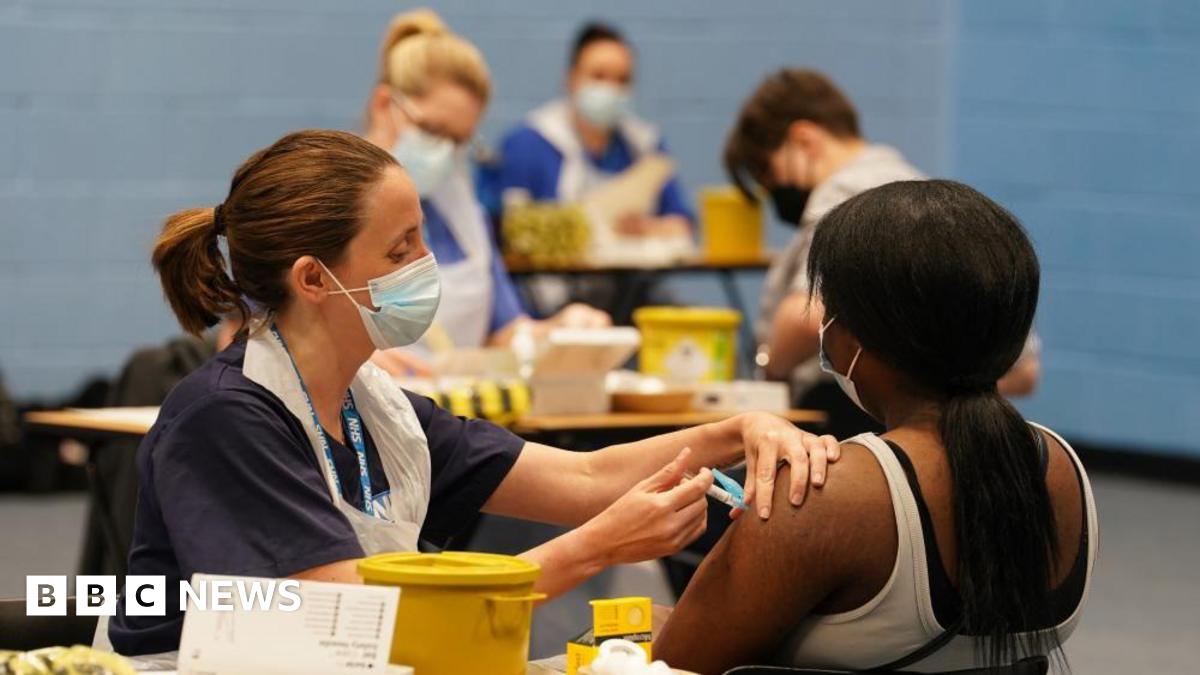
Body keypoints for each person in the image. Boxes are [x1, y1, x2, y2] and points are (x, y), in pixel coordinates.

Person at [107, 129, 840, 655]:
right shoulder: (225, 418)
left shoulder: (378, 408)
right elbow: (347, 614)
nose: (429, 266)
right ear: (312, 279)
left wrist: (737, 430)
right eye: (401, 250)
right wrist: (595, 549)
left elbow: (582, 475)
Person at [655, 180, 1097, 674]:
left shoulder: (821, 494)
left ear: (856, 338)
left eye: (830, 312)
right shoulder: (1061, 469)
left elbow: (672, 666)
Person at [724, 69, 1039, 439]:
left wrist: (770, 371)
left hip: (853, 420)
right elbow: (1024, 369)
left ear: (804, 141)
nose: (772, 191)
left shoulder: (843, 192)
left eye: (769, 173)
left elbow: (807, 315)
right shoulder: (930, 193)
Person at [360, 10, 608, 374]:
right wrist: (351, 360)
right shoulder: (328, 199)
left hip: (452, 414)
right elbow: (267, 328)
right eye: (433, 130)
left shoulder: (463, 213)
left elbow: (506, 330)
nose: (444, 152)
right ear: (385, 106)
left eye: (459, 141)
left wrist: (560, 331)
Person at [486, 21, 693, 318]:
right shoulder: (528, 144)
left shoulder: (644, 145)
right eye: (598, 76)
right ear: (571, 79)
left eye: (621, 80)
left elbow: (682, 224)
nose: (610, 88)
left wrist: (647, 229)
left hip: (631, 295)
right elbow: (510, 232)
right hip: (553, 302)